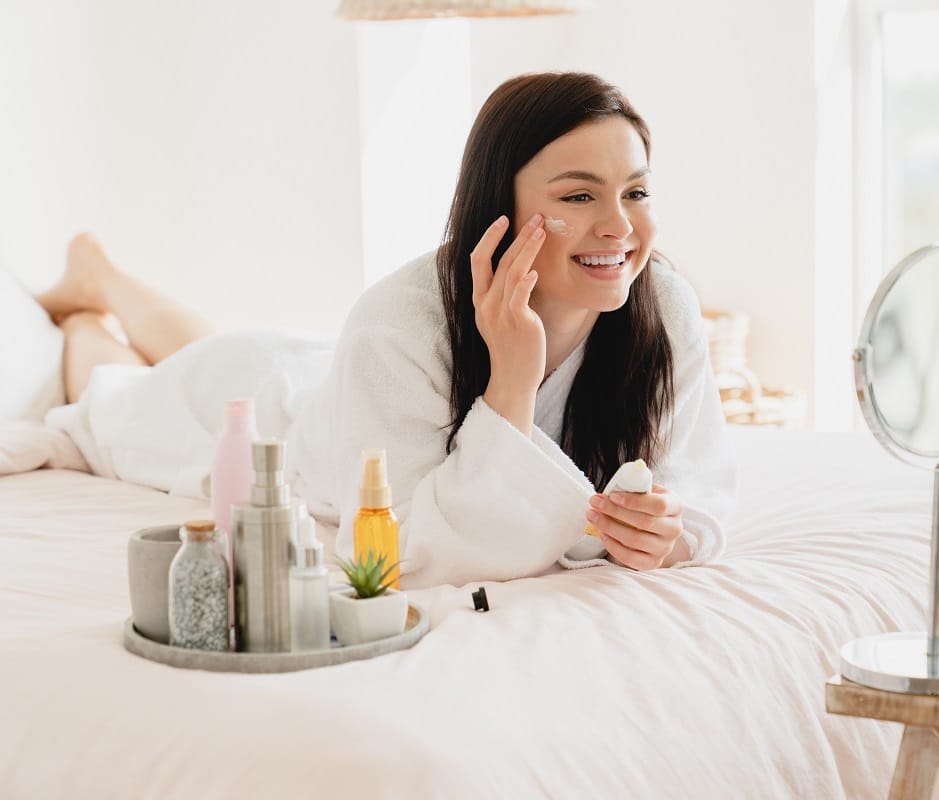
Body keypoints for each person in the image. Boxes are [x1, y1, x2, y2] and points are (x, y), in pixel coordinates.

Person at [36, 71, 736, 589]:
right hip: (283, 422)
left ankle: (101, 280)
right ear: (501, 206)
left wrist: (668, 539)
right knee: (111, 402)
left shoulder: (663, 308)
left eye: (636, 192)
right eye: (579, 196)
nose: (620, 226)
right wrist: (513, 380)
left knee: (207, 353)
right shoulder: (401, 320)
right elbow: (410, 555)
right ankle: (90, 304)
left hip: (328, 378)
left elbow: (698, 489)